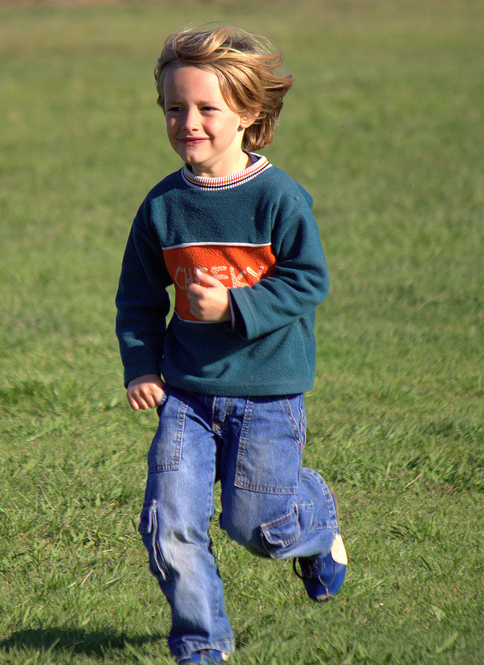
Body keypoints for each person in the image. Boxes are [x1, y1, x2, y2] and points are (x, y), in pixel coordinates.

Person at [114, 25, 347, 665]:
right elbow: (138, 298)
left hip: (268, 395)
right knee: (169, 525)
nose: (188, 122)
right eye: (174, 108)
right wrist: (141, 366)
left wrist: (235, 305)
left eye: (206, 108)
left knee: (257, 528)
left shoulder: (278, 198)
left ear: (249, 115)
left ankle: (315, 520)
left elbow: (309, 279)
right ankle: (202, 646)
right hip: (186, 395)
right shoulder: (162, 207)